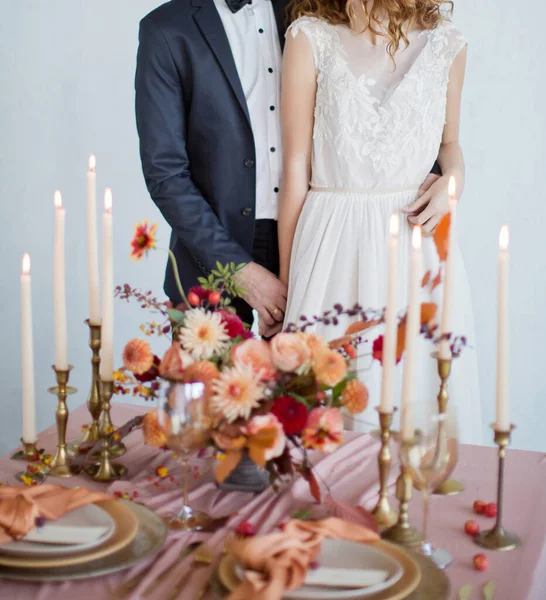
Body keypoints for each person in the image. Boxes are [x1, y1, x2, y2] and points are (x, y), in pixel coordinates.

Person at [280, 0, 482, 443]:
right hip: (330, 245)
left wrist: (456, 180)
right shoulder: (308, 38)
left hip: (417, 245)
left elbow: (450, 144)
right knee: (323, 411)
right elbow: (294, 168)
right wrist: (288, 282)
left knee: (418, 405)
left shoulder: (447, 44)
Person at [135, 0, 291, 336]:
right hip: (208, 261)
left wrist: (434, 173)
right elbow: (165, 173)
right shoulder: (165, 28)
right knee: (210, 389)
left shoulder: (309, 11)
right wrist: (237, 270)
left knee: (305, 387)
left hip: (306, 251)